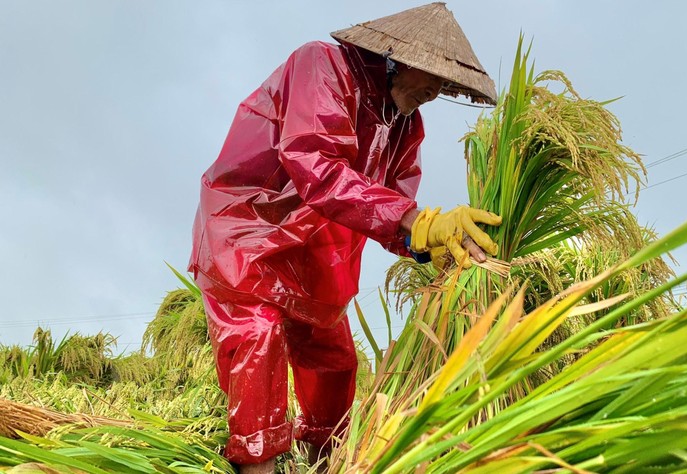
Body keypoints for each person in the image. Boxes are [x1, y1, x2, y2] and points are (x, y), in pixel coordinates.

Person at [188, 3, 501, 472]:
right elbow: (315, 164)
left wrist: (427, 241)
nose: (436, 91)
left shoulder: (405, 127)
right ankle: (259, 466)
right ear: (396, 57)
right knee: (257, 341)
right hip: (251, 232)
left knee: (334, 362)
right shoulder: (323, 65)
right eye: (431, 76)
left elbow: (394, 206)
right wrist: (414, 221)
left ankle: (327, 461)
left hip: (318, 256)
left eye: (445, 84)